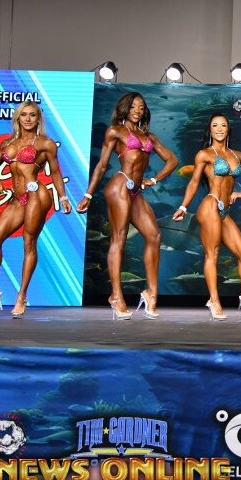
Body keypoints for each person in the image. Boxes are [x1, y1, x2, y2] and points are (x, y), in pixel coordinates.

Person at [77, 92, 177, 319]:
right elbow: (102, 166)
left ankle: (151, 294)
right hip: (119, 186)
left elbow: (173, 160)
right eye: (133, 106)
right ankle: (116, 296)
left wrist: (154, 180)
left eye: (141, 107)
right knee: (119, 237)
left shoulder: (149, 136)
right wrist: (88, 195)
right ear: (125, 108)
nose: (137, 110)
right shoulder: (115, 132)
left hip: (136, 191)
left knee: (154, 236)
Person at [0, 103, 71, 317]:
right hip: (17, 198)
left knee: (29, 242)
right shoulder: (7, 143)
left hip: (36, 194)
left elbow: (55, 172)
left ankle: (21, 296)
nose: (28, 119)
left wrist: (63, 197)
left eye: (32, 115)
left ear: (39, 119)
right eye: (24, 115)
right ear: (18, 118)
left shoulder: (45, 143)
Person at [173, 115, 241, 320]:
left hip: (225, 211)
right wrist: (183, 207)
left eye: (223, 125)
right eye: (215, 125)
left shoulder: (237, 155)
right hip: (210, 205)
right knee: (212, 254)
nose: (219, 129)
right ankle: (214, 300)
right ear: (210, 130)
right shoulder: (204, 154)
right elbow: (194, 182)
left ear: (228, 129)